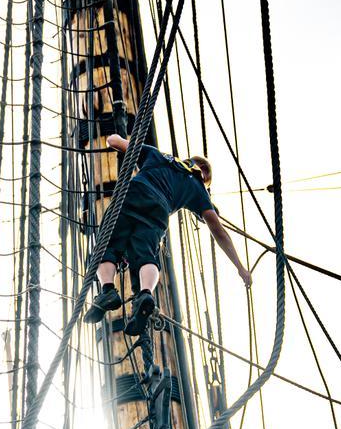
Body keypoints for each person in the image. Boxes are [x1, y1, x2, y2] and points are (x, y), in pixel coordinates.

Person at [85, 134, 252, 336]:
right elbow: (219, 232)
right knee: (146, 254)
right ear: (204, 176)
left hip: (134, 193)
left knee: (108, 243)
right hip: (159, 211)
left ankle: (107, 290)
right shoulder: (198, 189)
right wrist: (241, 268)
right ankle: (145, 294)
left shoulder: (157, 156)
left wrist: (114, 136)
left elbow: (113, 142)